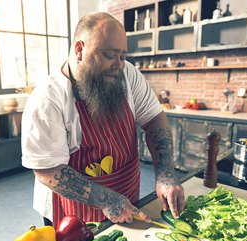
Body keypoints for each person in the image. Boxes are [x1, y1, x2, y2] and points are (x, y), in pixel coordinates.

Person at [21, 12, 185, 229]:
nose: (118, 64)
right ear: (79, 50)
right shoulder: (47, 99)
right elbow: (47, 170)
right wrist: (106, 199)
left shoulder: (128, 76)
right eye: (109, 55)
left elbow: (155, 119)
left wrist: (165, 175)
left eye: (123, 56)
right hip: (72, 212)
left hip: (126, 195)